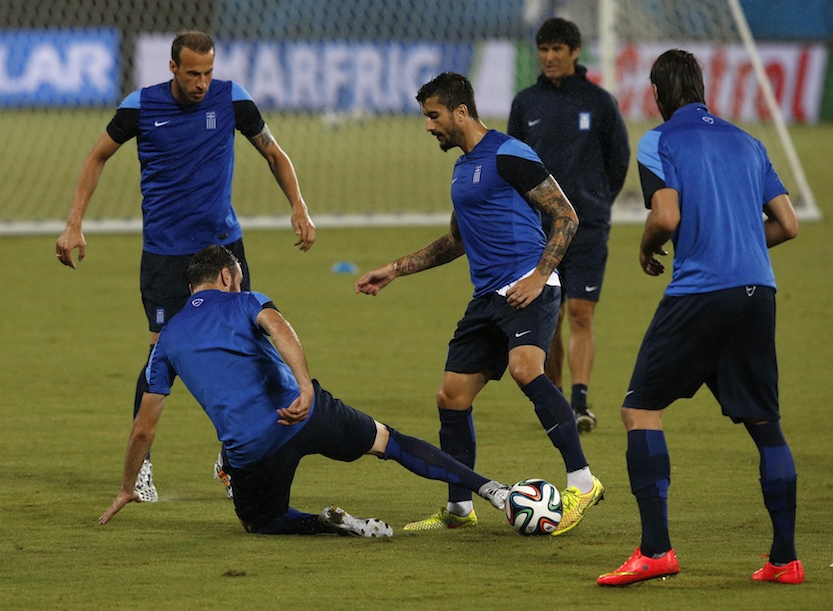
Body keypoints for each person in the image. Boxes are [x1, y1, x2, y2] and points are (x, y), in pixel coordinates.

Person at [56, 31, 316, 502]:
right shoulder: (140, 106)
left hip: (223, 253)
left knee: (249, 348)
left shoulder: (232, 99)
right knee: (161, 356)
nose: (201, 83)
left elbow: (274, 153)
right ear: (173, 68)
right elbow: (97, 157)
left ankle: (235, 456)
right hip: (166, 255)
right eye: (193, 73)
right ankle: (142, 471)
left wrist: (298, 205)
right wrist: (74, 223)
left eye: (208, 72)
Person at [99, 245, 512, 536]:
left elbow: (143, 428)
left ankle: (333, 524)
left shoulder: (166, 340)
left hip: (252, 451)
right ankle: (491, 490)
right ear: (226, 276)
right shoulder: (246, 302)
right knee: (390, 441)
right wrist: (305, 389)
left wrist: (126, 486)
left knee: (259, 522)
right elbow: (280, 329)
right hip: (308, 413)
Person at [355, 72, 603, 534]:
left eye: (434, 116)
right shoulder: (461, 169)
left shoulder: (510, 154)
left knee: (527, 368)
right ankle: (459, 510)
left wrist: (540, 275)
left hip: (528, 288)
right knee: (451, 397)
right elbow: (455, 242)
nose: (429, 126)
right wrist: (395, 269)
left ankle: (582, 482)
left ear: (461, 111)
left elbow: (566, 215)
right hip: (486, 299)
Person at [597, 49, 802, 586]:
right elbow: (787, 224)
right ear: (704, 88)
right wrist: (739, 245)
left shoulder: (659, 139)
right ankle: (785, 560)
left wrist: (646, 248)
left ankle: (657, 550)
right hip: (759, 291)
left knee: (640, 409)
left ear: (659, 95)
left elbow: (666, 216)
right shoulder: (748, 141)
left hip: (700, 292)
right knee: (766, 427)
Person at [508, 17, 630, 432]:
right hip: (538, 229)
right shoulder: (525, 103)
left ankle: (580, 401)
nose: (549, 57)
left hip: (589, 226)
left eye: (557, 49)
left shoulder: (599, 101)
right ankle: (556, 400)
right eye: (543, 50)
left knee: (581, 312)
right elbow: (511, 163)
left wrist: (594, 203)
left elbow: (618, 162)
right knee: (552, 316)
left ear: (575, 52)